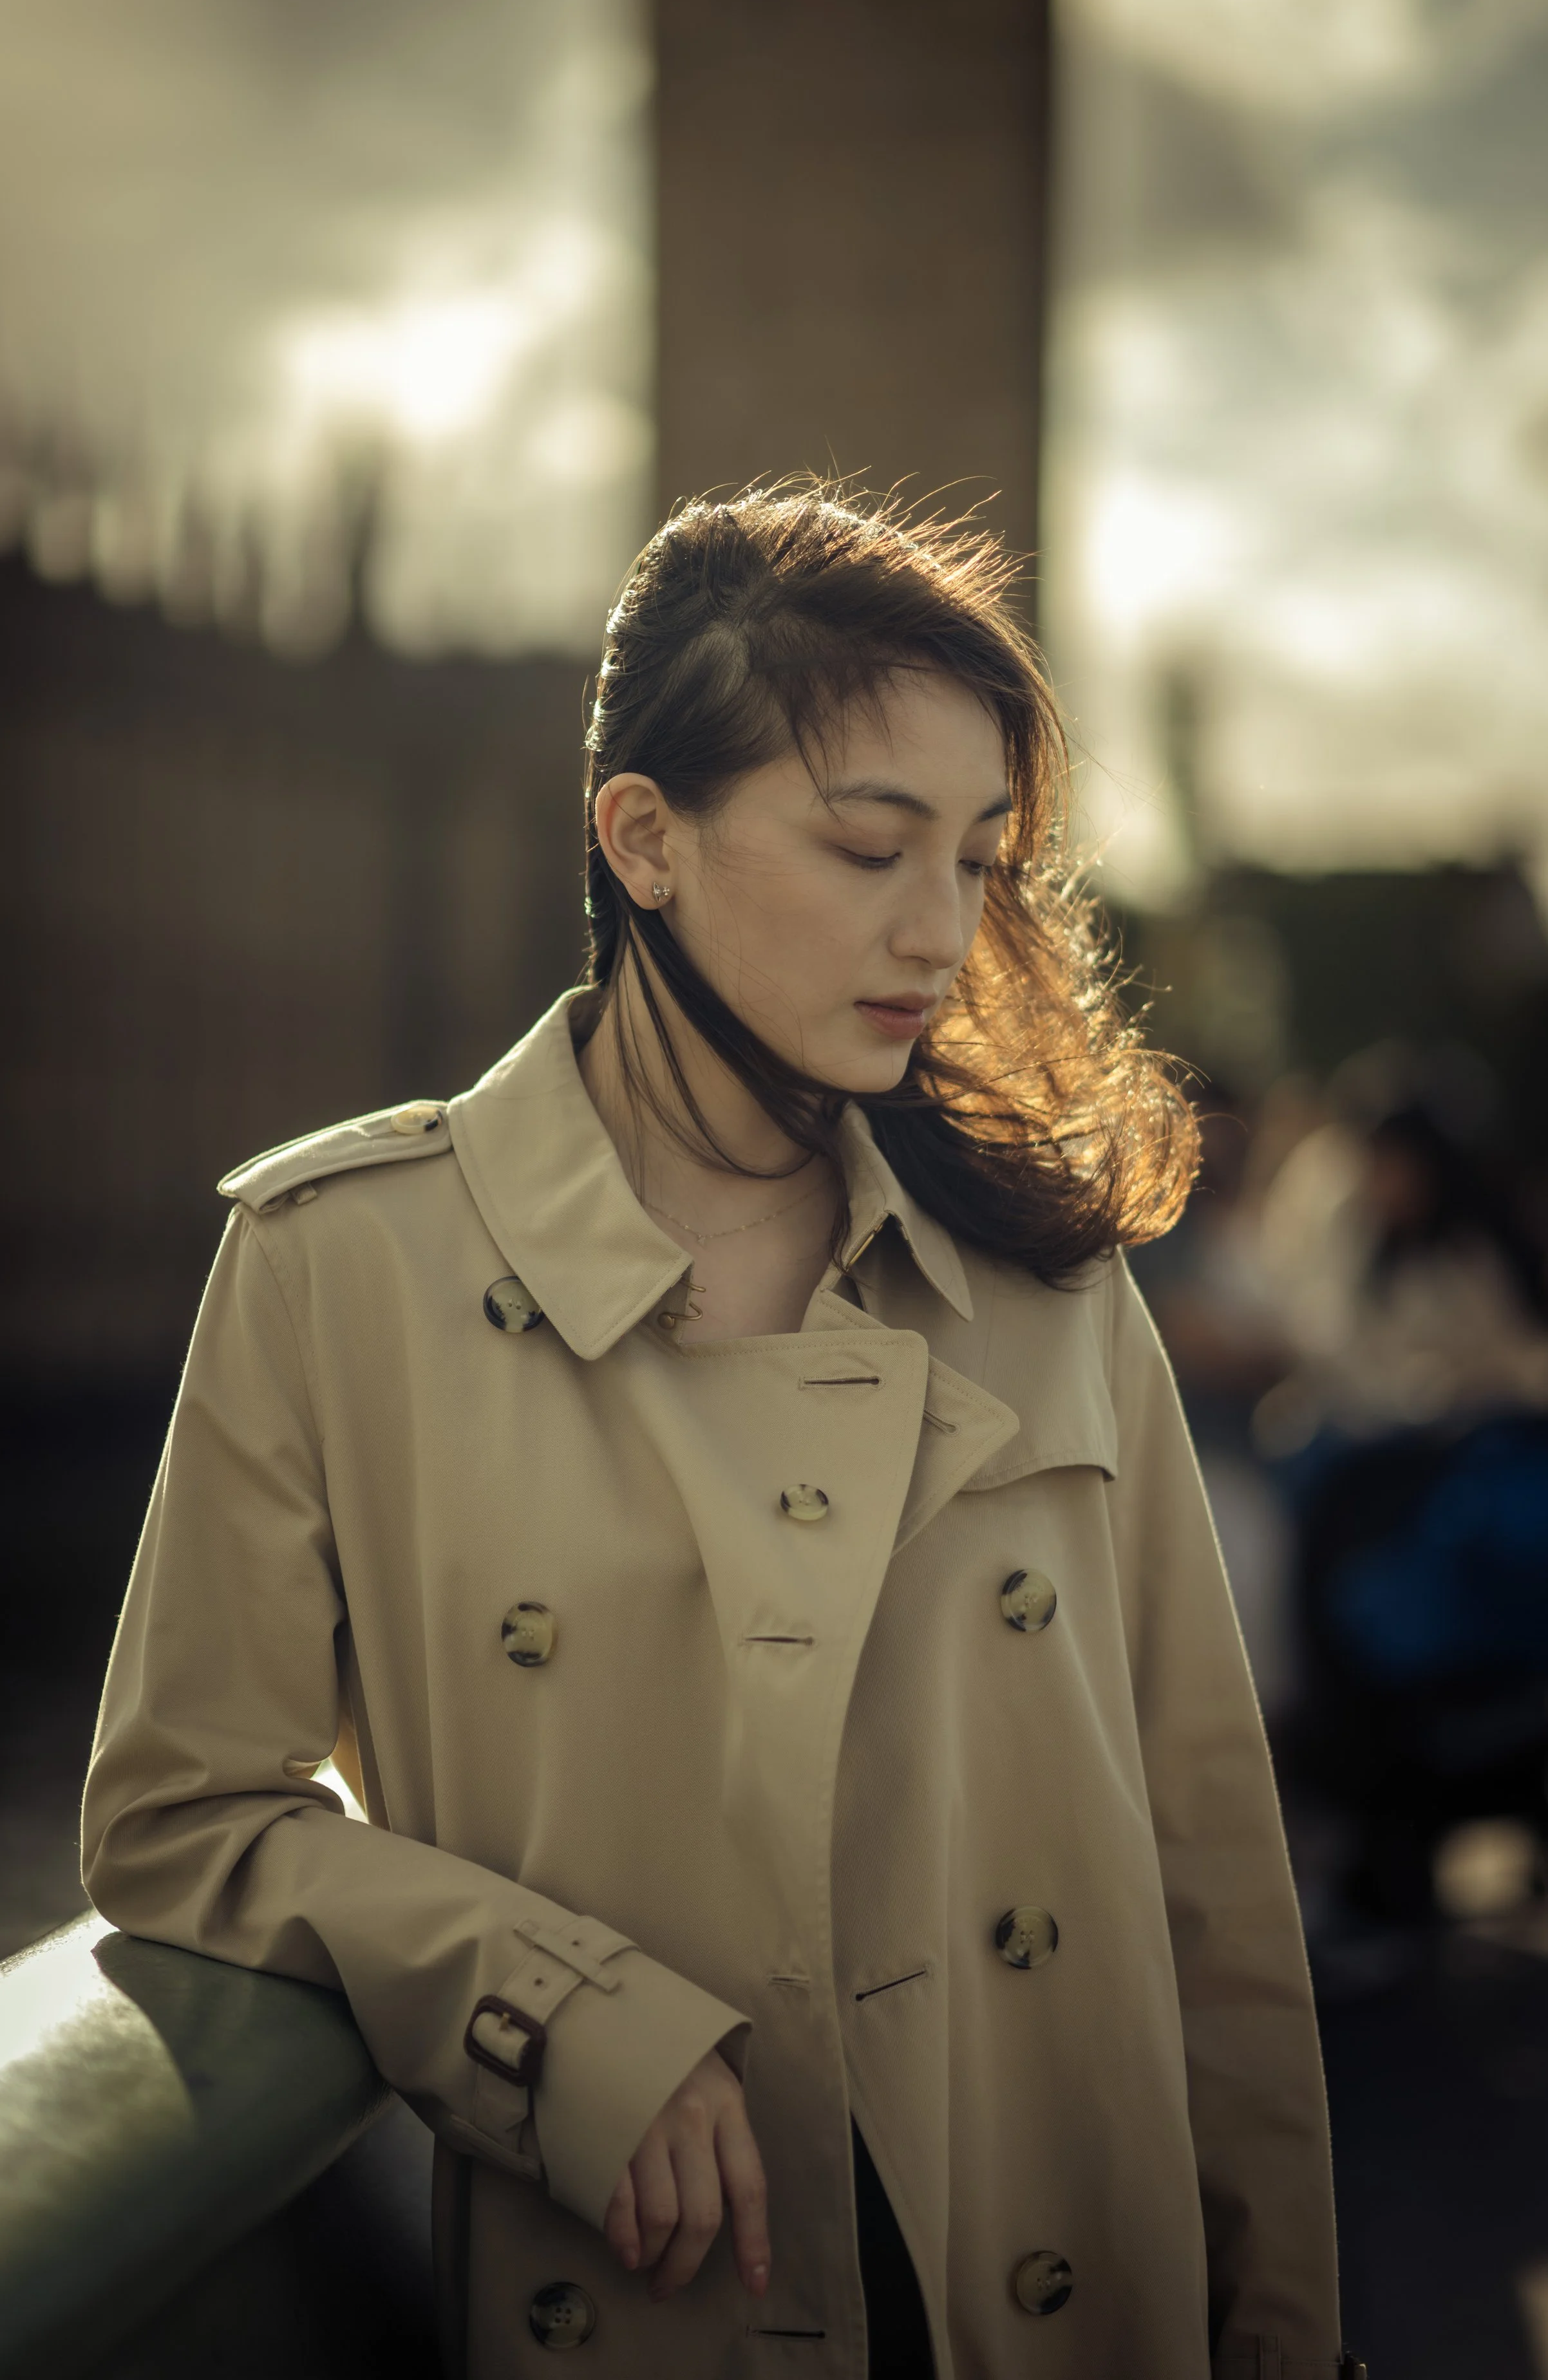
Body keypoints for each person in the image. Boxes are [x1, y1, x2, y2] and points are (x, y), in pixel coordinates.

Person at [82, 485, 1355, 2379]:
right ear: (642, 839)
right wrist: (544, 2011)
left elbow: (1212, 1887)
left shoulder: (1053, 1292)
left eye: (980, 860)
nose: (936, 932)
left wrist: (1289, 2333)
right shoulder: (336, 1271)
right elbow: (181, 1819)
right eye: (865, 847)